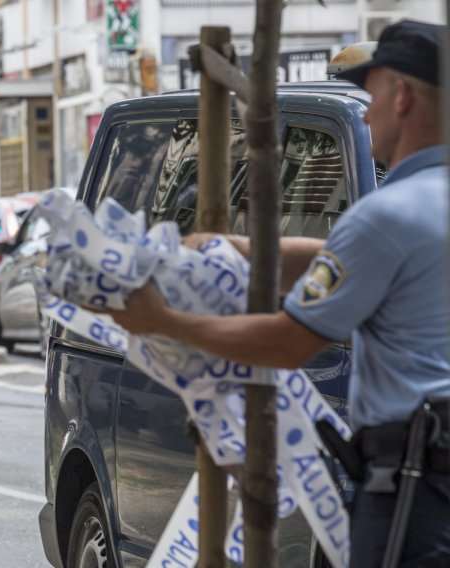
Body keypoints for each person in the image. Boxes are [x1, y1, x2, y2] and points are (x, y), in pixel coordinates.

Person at [102, 20, 450, 567]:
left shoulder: (387, 216)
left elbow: (288, 344)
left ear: (402, 96)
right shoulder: (419, 213)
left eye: (372, 94)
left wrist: (161, 320)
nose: (365, 111)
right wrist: (241, 249)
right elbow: (352, 267)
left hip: (417, 484)